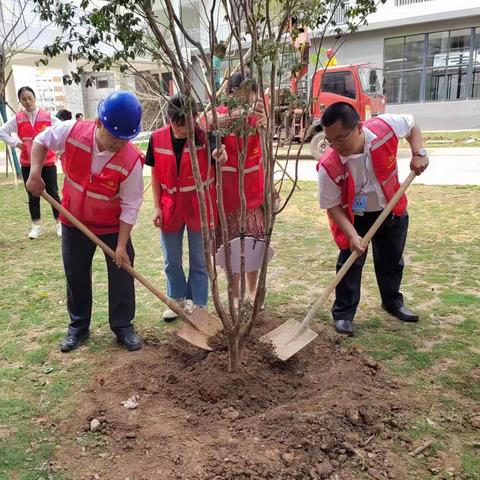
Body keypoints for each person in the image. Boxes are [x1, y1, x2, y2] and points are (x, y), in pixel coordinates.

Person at [26, 91, 145, 352]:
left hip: (112, 226)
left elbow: (131, 204)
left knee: (122, 272)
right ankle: (78, 327)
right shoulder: (72, 131)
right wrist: (35, 173)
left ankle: (123, 326)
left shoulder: (131, 160)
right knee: (76, 274)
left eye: (125, 139)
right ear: (99, 123)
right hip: (73, 219)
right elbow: (40, 140)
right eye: (115, 137)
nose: (119, 145)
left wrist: (122, 245)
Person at [317, 102, 429, 336]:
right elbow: (332, 206)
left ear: (358, 127)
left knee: (391, 259)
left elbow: (412, 125)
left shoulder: (384, 127)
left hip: (391, 206)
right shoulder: (328, 164)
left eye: (340, 139)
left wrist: (419, 153)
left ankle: (392, 302)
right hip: (355, 216)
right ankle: (344, 314)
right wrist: (351, 234)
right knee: (349, 263)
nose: (335, 146)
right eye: (330, 140)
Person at [146, 94, 224, 321]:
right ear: (168, 119)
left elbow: (217, 151)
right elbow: (155, 172)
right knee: (171, 258)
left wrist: (219, 153)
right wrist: (156, 207)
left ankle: (198, 303)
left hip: (198, 204)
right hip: (170, 204)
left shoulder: (206, 137)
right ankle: (177, 299)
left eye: (188, 123)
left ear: (196, 117)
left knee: (199, 259)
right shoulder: (156, 138)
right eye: (178, 124)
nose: (183, 130)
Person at [209, 72, 267, 307]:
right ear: (231, 94)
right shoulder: (220, 117)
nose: (250, 102)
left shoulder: (259, 116)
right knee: (229, 248)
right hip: (227, 195)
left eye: (252, 96)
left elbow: (265, 151)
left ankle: (253, 291)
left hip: (253, 193)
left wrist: (264, 122)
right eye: (245, 96)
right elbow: (207, 125)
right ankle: (234, 293)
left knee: (254, 243)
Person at [0, 86, 62, 239]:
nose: (27, 102)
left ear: (35, 98)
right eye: (24, 99)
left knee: (53, 194)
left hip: (47, 163)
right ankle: (36, 226)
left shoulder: (47, 116)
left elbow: (62, 128)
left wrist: (58, 149)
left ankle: (59, 224)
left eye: (30, 98)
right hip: (28, 163)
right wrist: (16, 143)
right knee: (32, 195)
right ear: (20, 101)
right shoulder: (18, 118)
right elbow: (2, 131)